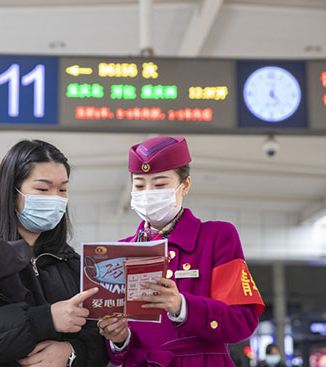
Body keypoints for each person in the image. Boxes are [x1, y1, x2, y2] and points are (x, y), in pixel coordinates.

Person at [0, 140, 109, 367]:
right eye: (43, 189)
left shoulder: (70, 262)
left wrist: (72, 352)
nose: (55, 198)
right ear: (12, 191)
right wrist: (45, 320)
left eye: (62, 189)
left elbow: (99, 338)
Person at [98, 136, 265, 367]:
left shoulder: (217, 237)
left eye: (159, 185)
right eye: (139, 185)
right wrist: (119, 339)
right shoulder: (121, 250)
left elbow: (242, 322)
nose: (148, 193)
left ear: (184, 186)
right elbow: (121, 351)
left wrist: (181, 306)